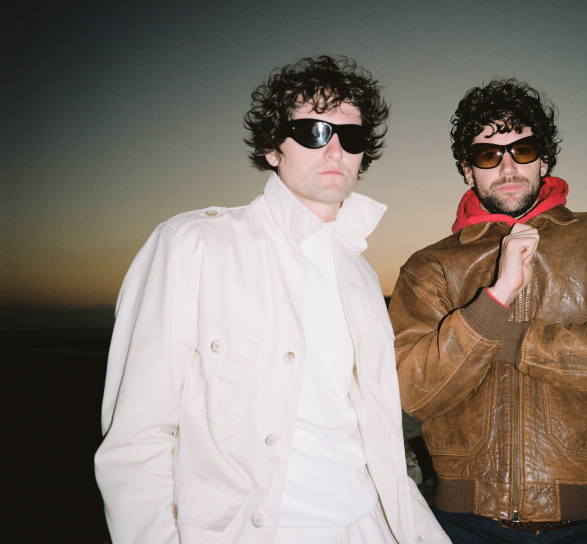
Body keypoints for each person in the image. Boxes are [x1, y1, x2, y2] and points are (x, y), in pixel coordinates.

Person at [95, 55, 449, 544]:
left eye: (351, 137)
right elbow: (137, 438)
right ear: (271, 148)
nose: (335, 149)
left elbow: (378, 437)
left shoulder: (362, 276)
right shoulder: (194, 244)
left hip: (368, 526)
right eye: (313, 132)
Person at [388, 79, 587, 543]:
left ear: (544, 160)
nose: (508, 167)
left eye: (523, 150)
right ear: (467, 170)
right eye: (487, 155)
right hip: (464, 524)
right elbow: (413, 391)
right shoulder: (430, 265)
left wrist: (514, 340)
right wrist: (493, 303)